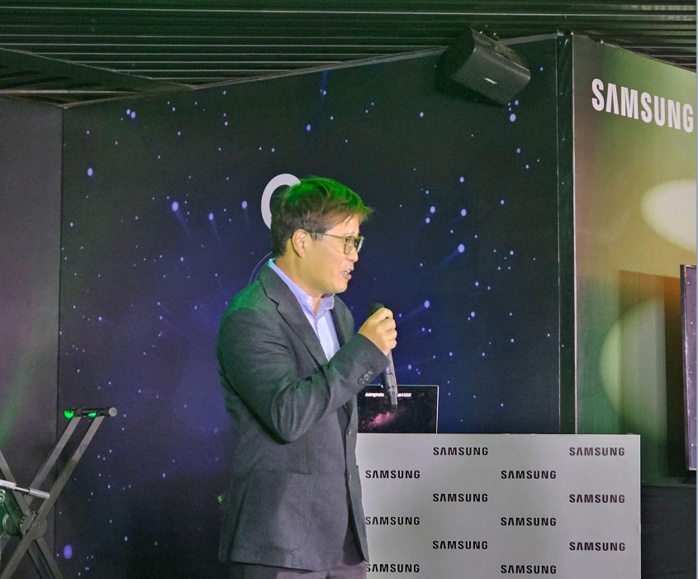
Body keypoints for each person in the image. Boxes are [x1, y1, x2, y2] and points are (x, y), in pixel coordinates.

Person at [217, 176, 397, 578]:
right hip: (280, 544)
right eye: (346, 241)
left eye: (357, 242)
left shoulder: (340, 313)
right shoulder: (251, 315)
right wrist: (364, 352)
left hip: (343, 546)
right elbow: (288, 415)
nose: (355, 255)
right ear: (302, 241)